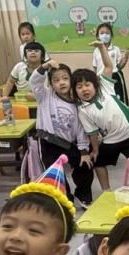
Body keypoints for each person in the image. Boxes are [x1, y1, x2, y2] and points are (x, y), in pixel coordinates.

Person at [73, 44, 129, 191]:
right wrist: (95, 150)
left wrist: (101, 48)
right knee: (98, 163)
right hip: (111, 139)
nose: (84, 89)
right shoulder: (82, 109)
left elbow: (108, 66)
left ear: (95, 85)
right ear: (75, 91)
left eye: (87, 84)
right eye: (79, 87)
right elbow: (92, 133)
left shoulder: (105, 87)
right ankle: (106, 191)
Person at [30, 59, 94, 205]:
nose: (61, 82)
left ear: (71, 81)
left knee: (85, 165)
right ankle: (65, 200)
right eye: (56, 80)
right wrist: (45, 66)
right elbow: (34, 81)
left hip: (69, 143)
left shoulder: (77, 102)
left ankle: (83, 195)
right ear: (51, 84)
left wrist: (84, 151)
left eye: (65, 78)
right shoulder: (44, 96)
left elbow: (81, 128)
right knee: (55, 173)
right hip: (48, 141)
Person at [90, 22, 129, 105]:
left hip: (115, 77)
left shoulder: (116, 49)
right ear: (98, 36)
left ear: (111, 36)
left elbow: (119, 66)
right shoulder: (96, 51)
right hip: (100, 78)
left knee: (118, 101)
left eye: (107, 33)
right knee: (104, 101)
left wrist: (125, 58)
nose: (104, 35)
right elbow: (95, 67)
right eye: (102, 33)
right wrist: (94, 79)